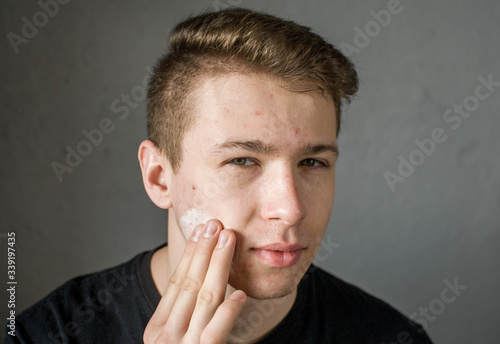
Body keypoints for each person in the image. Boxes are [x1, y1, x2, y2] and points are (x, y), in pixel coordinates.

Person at [6, 8, 433, 344]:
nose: (290, 210)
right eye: (243, 161)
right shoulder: (46, 334)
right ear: (159, 178)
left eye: (312, 163)